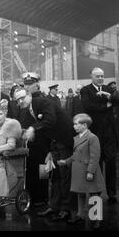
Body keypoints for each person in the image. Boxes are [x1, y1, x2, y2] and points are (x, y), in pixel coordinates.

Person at [15, 88, 76, 220]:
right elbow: (45, 129)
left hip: (64, 139)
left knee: (65, 174)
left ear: (29, 95)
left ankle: (66, 209)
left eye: (22, 97)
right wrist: (48, 150)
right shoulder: (29, 108)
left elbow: (50, 121)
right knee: (54, 175)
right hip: (54, 142)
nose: (20, 101)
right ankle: (54, 206)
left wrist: (33, 128)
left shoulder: (42, 102)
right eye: (18, 100)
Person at [80, 68, 119, 204]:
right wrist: (107, 105)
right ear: (91, 76)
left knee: (111, 163)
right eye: (97, 76)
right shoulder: (86, 90)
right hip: (95, 132)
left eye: (102, 76)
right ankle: (95, 192)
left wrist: (108, 97)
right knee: (95, 163)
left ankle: (111, 192)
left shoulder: (107, 89)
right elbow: (87, 106)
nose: (100, 78)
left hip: (109, 132)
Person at [58, 113, 105, 229]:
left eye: (76, 124)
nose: (74, 126)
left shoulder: (92, 137)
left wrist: (90, 171)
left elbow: (95, 156)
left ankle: (96, 219)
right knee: (80, 193)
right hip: (79, 170)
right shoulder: (78, 138)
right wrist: (67, 161)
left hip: (88, 170)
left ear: (84, 125)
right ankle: (81, 215)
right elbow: (76, 155)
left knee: (94, 194)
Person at [16, 72, 50, 206]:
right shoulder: (25, 101)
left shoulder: (44, 100)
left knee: (43, 170)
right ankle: (31, 196)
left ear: (37, 84)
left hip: (43, 142)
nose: (28, 86)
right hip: (29, 143)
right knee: (29, 170)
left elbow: (48, 121)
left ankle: (43, 197)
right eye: (26, 84)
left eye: (31, 84)